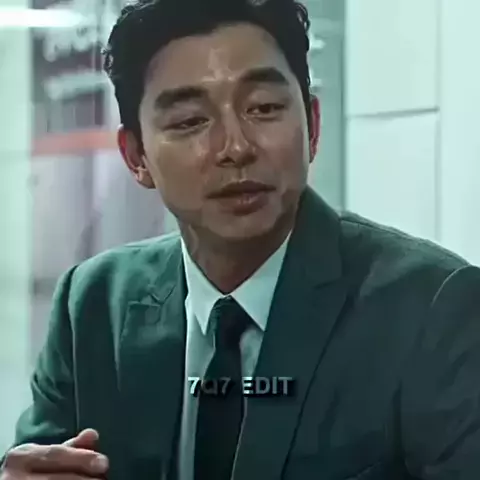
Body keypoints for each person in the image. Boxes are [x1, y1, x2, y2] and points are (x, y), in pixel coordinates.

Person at [2, 0, 480, 478]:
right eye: (190, 121)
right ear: (136, 157)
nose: (235, 147)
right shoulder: (92, 306)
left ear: (312, 127)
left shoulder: (434, 310)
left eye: (264, 108)